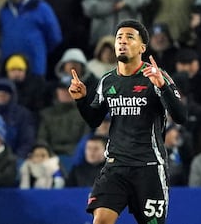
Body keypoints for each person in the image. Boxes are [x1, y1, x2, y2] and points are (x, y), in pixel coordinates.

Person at [68, 19, 187, 224]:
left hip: (149, 167)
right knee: (101, 220)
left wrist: (162, 86)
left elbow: (181, 117)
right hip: (116, 166)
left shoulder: (156, 76)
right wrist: (80, 100)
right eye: (119, 38)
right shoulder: (107, 81)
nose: (122, 41)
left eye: (129, 37)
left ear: (142, 47)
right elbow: (94, 120)